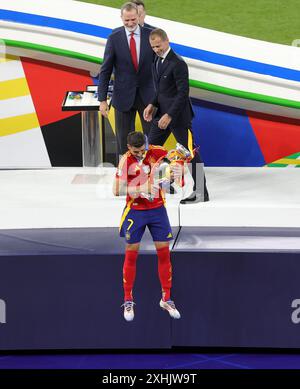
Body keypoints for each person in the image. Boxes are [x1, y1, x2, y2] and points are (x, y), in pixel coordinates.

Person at [113, 131, 181, 322]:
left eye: (143, 150)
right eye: (137, 152)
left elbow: (174, 165)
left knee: (164, 254)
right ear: (129, 148)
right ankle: (128, 299)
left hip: (158, 210)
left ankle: (166, 298)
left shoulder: (157, 152)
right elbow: (116, 189)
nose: (141, 155)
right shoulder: (125, 161)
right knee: (131, 254)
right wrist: (140, 188)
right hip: (136, 210)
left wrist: (176, 172)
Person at [143, 28, 209, 203]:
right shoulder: (156, 60)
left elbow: (182, 93)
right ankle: (164, 183)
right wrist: (152, 104)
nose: (156, 49)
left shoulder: (178, 63)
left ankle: (202, 192)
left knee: (190, 153)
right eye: (153, 47)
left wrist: (170, 115)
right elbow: (160, 90)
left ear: (167, 41)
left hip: (178, 117)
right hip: (162, 115)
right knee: (154, 148)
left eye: (158, 46)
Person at [98, 2, 155, 160]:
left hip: (148, 98)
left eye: (133, 20)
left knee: (154, 139)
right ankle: (124, 177)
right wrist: (102, 100)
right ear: (121, 18)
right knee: (123, 141)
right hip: (123, 97)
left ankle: (153, 176)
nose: (130, 24)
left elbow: (160, 67)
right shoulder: (114, 37)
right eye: (126, 20)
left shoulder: (151, 35)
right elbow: (105, 69)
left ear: (139, 16)